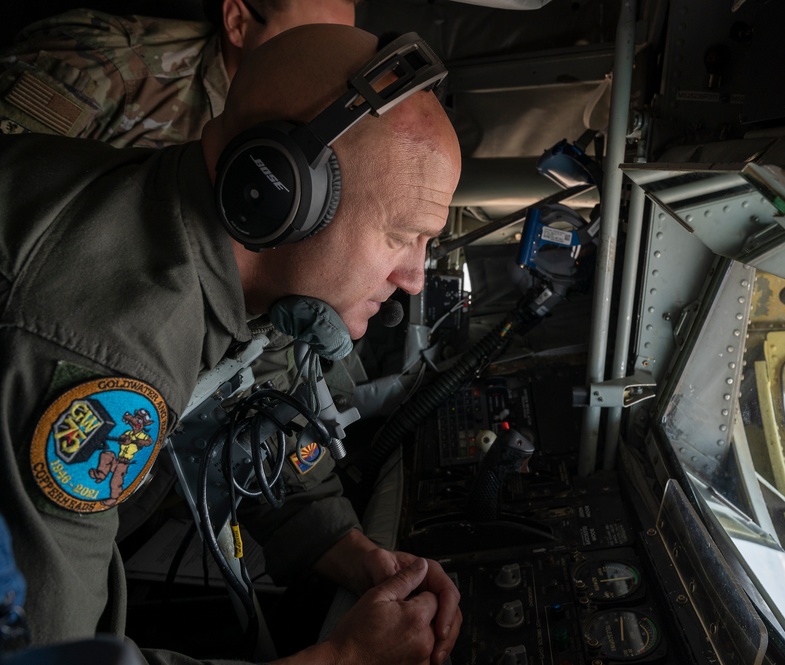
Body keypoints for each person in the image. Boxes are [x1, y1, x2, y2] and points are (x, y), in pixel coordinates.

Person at [0, 22, 462, 665]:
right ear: (284, 189)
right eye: (401, 234)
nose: (413, 277)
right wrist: (346, 660)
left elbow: (254, 392)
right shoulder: (109, 350)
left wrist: (349, 551)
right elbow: (44, 658)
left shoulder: (202, 237)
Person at [0, 0, 357, 147]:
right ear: (237, 22)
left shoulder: (331, 123)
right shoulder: (110, 68)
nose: (325, 68)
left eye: (339, 51)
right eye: (306, 42)